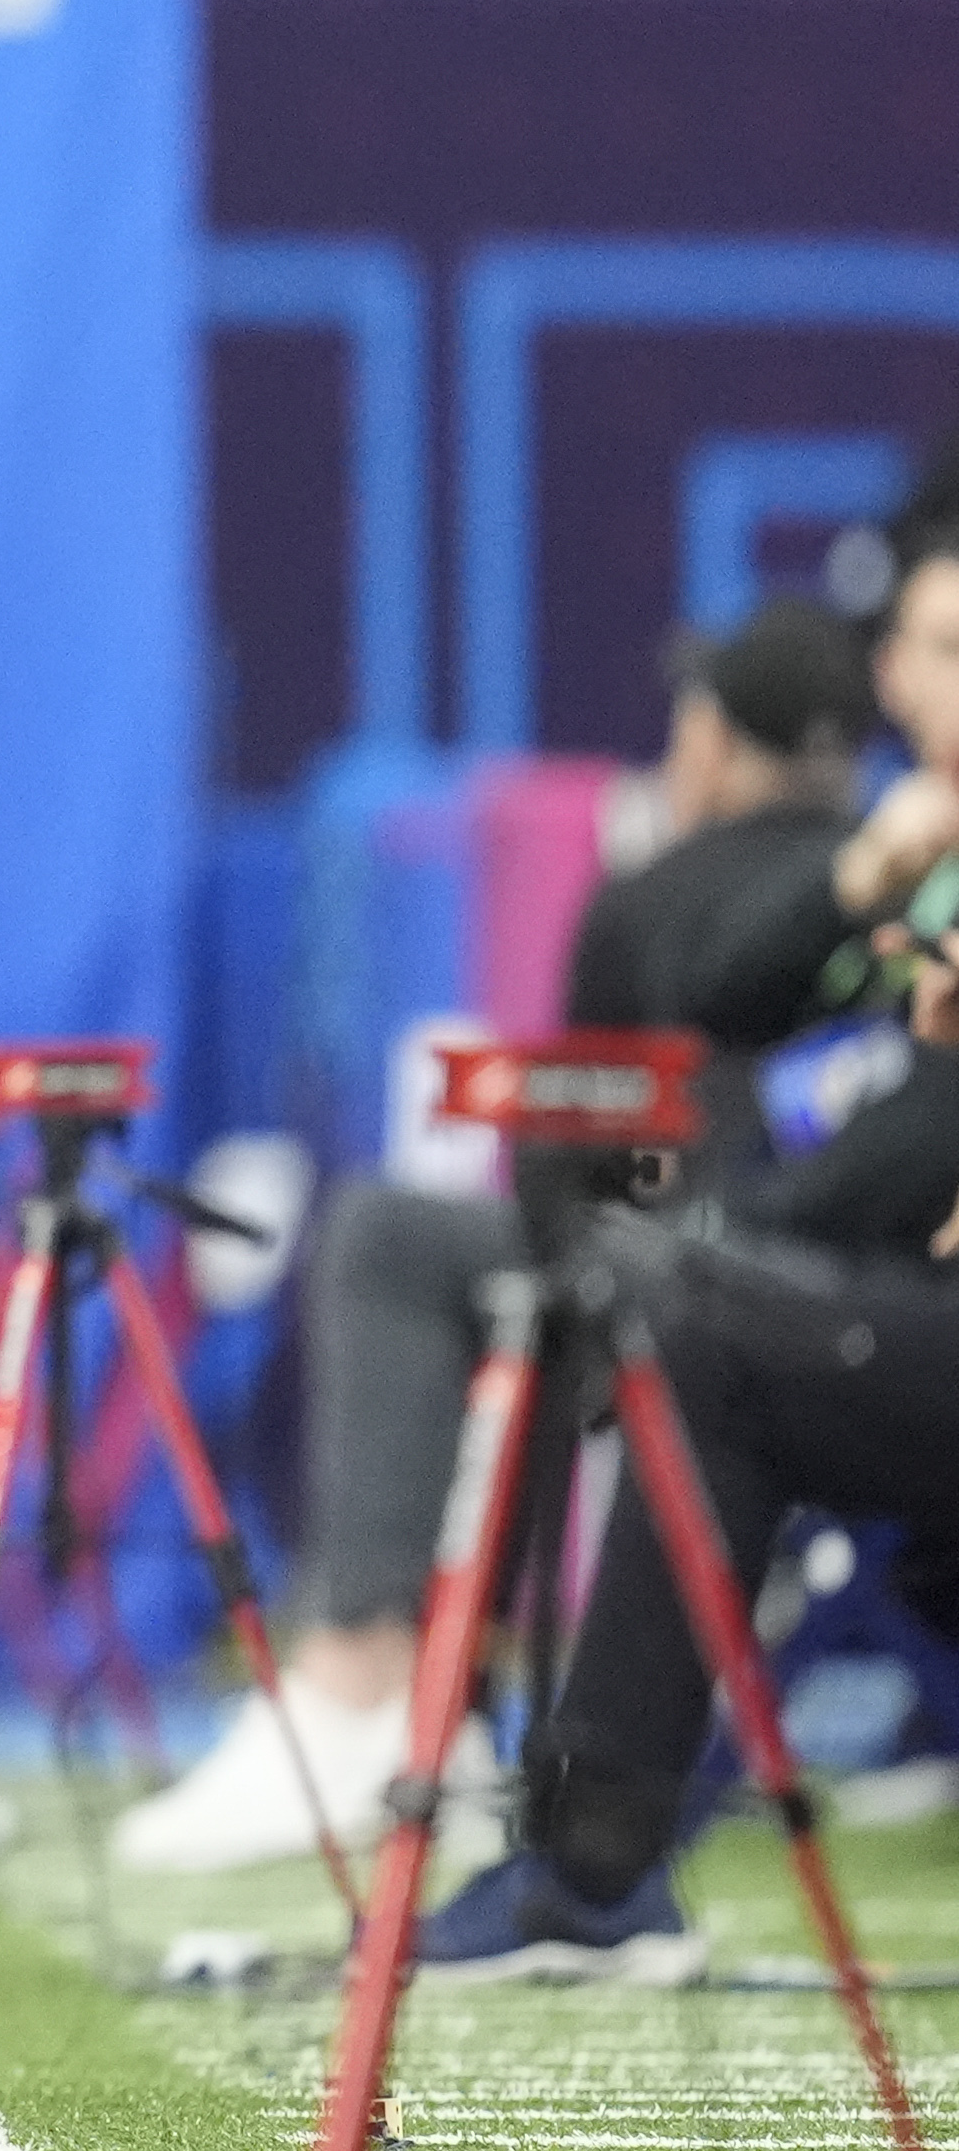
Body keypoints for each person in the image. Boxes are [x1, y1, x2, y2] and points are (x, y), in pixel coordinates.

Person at [111, 598, 887, 1875]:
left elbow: (569, 1180)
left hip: (716, 1306)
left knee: (409, 1243)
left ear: (717, 742)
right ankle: (431, 1693)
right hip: (869, 1300)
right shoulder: (914, 884)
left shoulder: (657, 899)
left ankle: (372, 1679)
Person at [420, 525, 959, 1975]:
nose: (910, 685)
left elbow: (915, 1127)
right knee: (690, 1315)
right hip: (892, 1281)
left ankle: (587, 1863)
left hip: (889, 1286)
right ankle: (586, 1856)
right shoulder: (915, 851)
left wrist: (723, 1239)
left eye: (943, 650)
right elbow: (721, 994)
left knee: (695, 1321)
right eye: (914, 646)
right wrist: (864, 870)